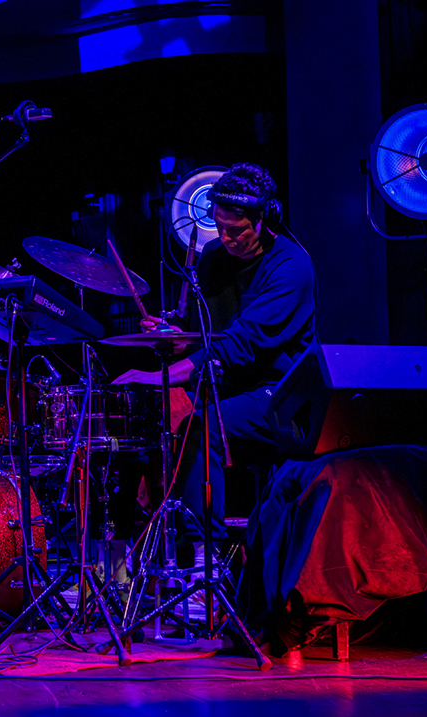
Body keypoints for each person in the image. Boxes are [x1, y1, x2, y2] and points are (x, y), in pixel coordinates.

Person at [113, 163, 316, 571]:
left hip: (282, 394)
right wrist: (175, 335)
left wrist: (159, 377)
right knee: (142, 429)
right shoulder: (212, 257)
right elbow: (207, 334)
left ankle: (205, 562)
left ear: (266, 220)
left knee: (201, 428)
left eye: (236, 229)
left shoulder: (291, 266)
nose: (225, 237)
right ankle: (124, 560)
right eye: (219, 227)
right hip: (228, 385)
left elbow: (239, 344)